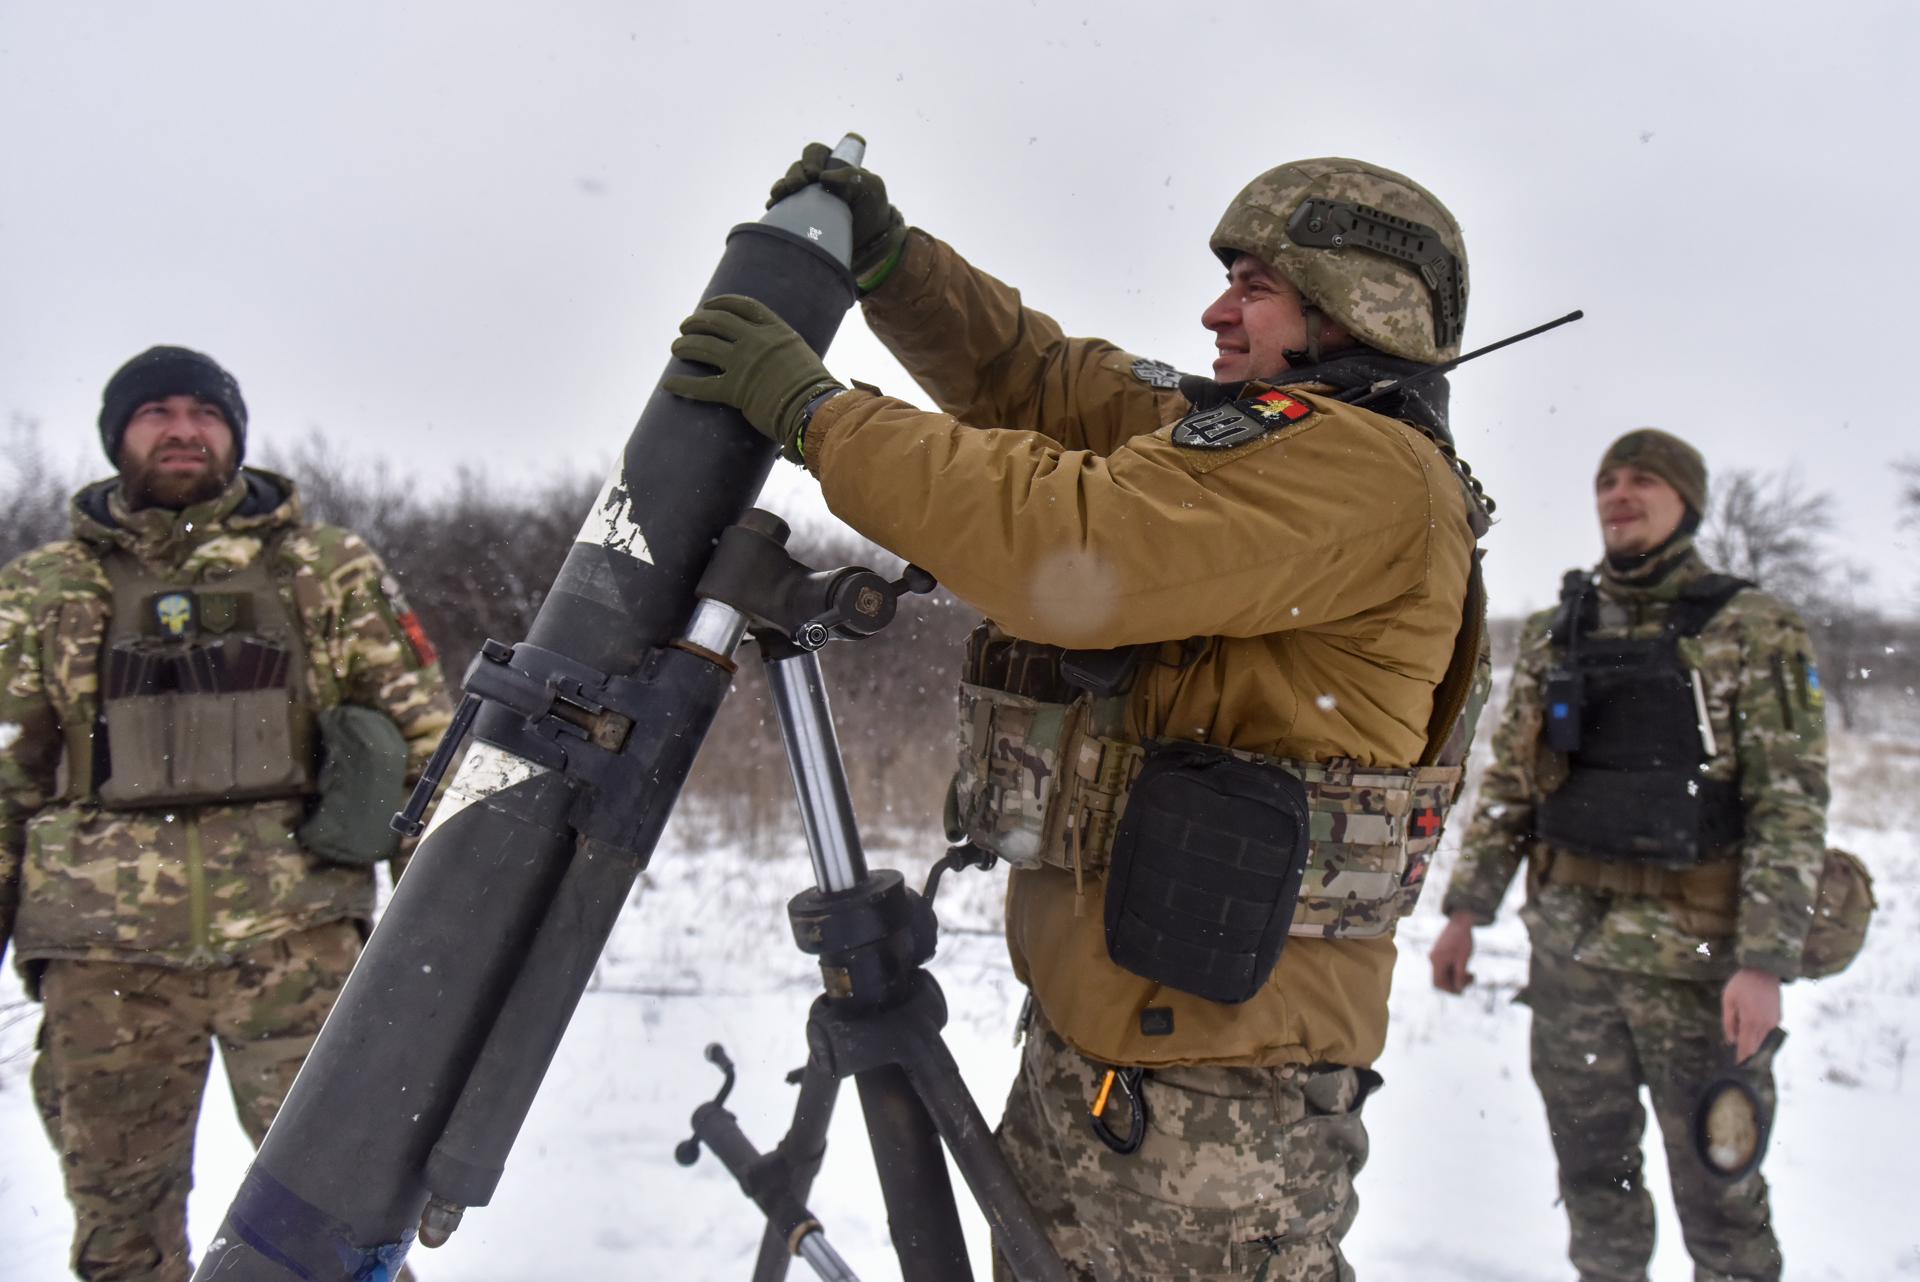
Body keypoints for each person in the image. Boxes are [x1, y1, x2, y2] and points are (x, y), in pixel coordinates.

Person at [664, 148, 1491, 1280]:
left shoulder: (1365, 472)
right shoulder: (1269, 439)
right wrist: (899, 268)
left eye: (1255, 285)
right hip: (1119, 1050)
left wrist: (818, 415)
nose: (1216, 308)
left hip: (1212, 1100)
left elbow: (1071, 546)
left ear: (1355, 306)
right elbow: (1043, 382)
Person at [0, 345, 454, 1282]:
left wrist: (441, 934)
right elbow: (7, 772)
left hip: (300, 948)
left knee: (349, 1222)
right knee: (120, 1236)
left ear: (234, 434)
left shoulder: (325, 569)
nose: (181, 430)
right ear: (117, 435)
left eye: (204, 413)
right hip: (104, 964)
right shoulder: (42, 591)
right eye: (155, 412)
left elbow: (427, 751)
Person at [1430, 428, 1828, 1282]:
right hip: (1573, 961)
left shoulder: (1754, 628)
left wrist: (1764, 963)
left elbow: (1789, 808)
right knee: (1594, 1189)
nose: (1619, 493)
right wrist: (1465, 912)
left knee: (1722, 1190)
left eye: (1643, 479)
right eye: (1608, 479)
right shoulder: (1556, 631)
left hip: (1699, 970)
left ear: (1687, 499)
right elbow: (1513, 786)